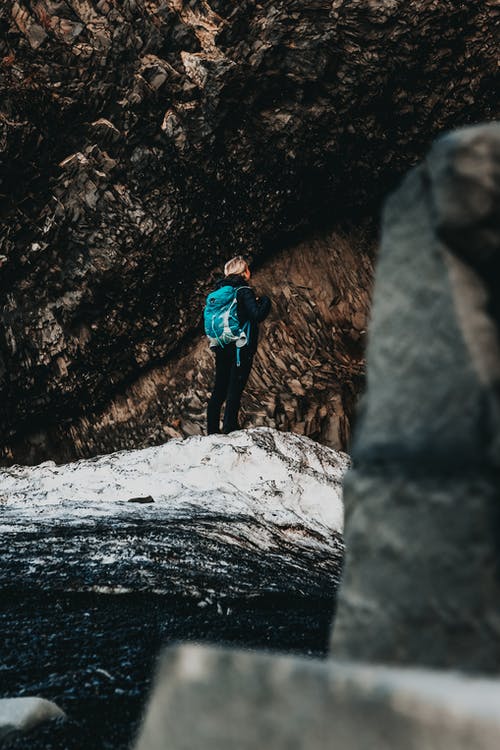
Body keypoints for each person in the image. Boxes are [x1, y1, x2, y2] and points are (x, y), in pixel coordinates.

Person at [206, 256, 271, 434]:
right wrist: (265, 301)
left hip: (221, 344)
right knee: (235, 385)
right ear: (243, 271)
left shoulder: (219, 292)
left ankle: (212, 430)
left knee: (219, 386)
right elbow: (257, 315)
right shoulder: (243, 290)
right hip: (240, 345)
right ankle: (229, 427)